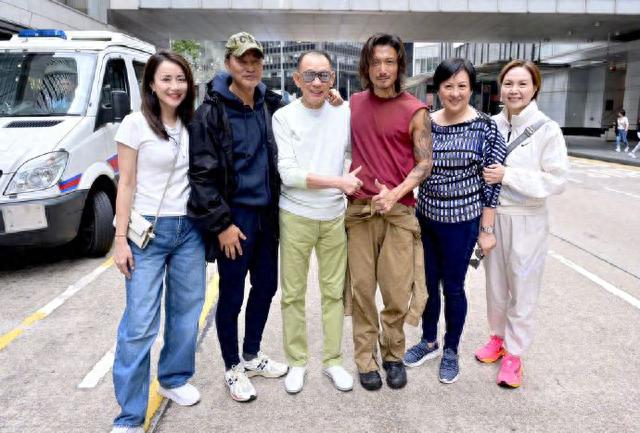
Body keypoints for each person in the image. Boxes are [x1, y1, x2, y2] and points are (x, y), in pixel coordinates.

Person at [187, 32, 288, 403]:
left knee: (266, 287)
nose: (250, 67)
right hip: (235, 219)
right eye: (242, 60)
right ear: (229, 63)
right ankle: (231, 367)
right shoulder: (211, 112)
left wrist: (332, 97)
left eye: (256, 60)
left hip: (267, 217)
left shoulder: (270, 104)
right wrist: (222, 225)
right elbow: (201, 176)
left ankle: (252, 354)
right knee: (231, 294)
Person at [111, 50, 204, 433]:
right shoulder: (135, 125)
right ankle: (130, 415)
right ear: (151, 83)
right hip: (146, 231)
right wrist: (120, 239)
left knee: (186, 313)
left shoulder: (193, 123)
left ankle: (174, 377)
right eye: (166, 79)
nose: (174, 87)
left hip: (189, 231)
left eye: (180, 79)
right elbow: (126, 183)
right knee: (139, 324)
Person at [403, 58, 507, 385]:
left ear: (472, 89)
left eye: (462, 85)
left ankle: (450, 348)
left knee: (454, 287)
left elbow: (493, 183)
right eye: (448, 85)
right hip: (426, 219)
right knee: (426, 284)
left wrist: (486, 230)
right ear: (438, 88)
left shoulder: (486, 127)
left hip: (462, 224)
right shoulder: (426, 122)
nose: (455, 92)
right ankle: (429, 340)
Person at [346, 33, 432, 391]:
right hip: (360, 214)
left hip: (398, 215)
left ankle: (393, 355)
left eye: (390, 62)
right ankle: (366, 359)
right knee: (362, 291)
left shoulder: (416, 110)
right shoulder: (350, 104)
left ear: (400, 66)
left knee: (397, 293)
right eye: (376, 62)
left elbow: (425, 163)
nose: (383, 69)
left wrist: (394, 194)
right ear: (367, 66)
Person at [476, 60, 568, 388]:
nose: (514, 90)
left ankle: (515, 354)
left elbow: (557, 180)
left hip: (529, 219)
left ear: (535, 88)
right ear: (500, 88)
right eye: (509, 84)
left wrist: (509, 175)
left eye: (522, 84)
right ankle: (497, 338)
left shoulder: (547, 129)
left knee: (524, 287)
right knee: (495, 285)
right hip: (494, 217)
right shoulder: (491, 125)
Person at [273, 50, 358, 394]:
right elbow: (289, 174)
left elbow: (359, 149)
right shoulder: (283, 117)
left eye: (324, 75)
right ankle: (297, 361)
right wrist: (339, 182)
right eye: (309, 76)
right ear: (297, 80)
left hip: (334, 216)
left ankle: (333, 361)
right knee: (292, 294)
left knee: (333, 294)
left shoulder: (344, 113)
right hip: (295, 214)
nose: (317, 82)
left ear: (333, 79)